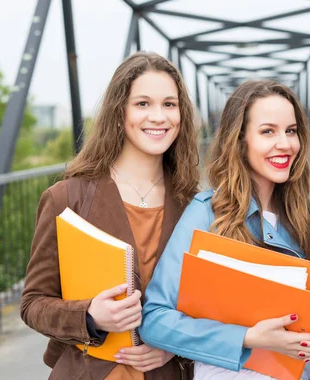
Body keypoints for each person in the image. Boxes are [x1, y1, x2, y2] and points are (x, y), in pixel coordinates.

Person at [20, 51, 199, 380]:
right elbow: (33, 303)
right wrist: (89, 315)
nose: (158, 116)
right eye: (142, 104)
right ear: (120, 112)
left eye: (169, 105)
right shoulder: (68, 198)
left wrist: (175, 344)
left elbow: (208, 304)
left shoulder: (195, 204)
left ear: (181, 115)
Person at [139, 80, 310, 380]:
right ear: (240, 139)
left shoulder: (306, 219)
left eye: (291, 131)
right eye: (268, 131)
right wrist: (248, 337)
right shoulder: (207, 214)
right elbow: (155, 321)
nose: (285, 143)